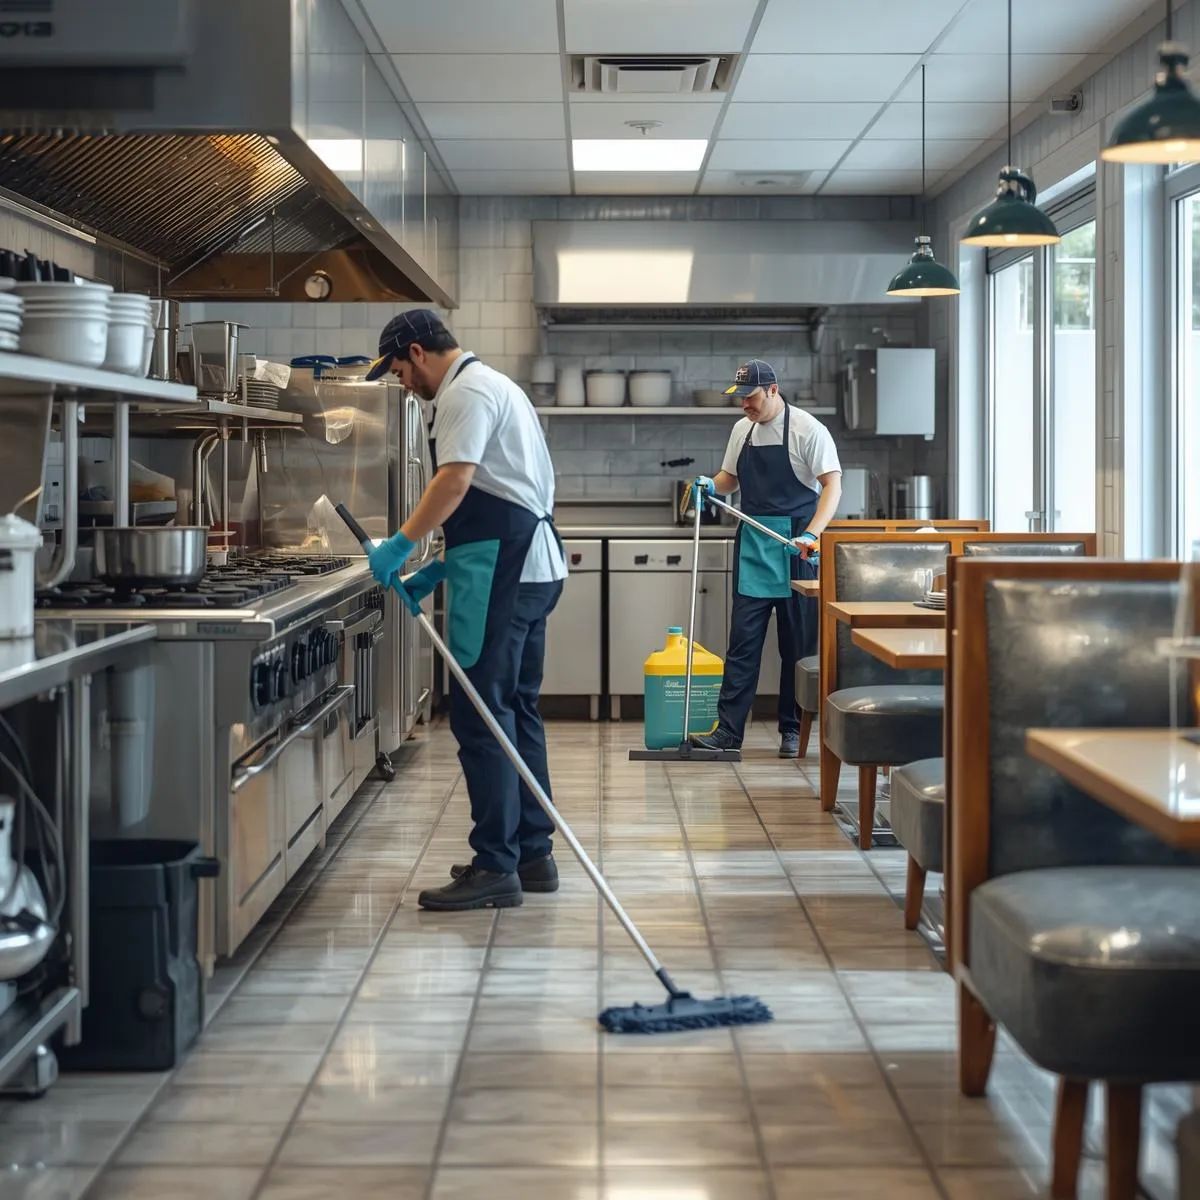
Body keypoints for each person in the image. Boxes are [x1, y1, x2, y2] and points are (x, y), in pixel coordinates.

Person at [364, 310, 567, 911]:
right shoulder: (495, 385)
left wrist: (400, 547)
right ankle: (532, 853)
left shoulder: (465, 394)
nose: (403, 383)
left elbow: (456, 483)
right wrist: (439, 570)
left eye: (400, 370)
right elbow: (507, 495)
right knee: (515, 708)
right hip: (526, 567)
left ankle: (495, 865)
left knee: (480, 716)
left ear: (419, 353)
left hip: (503, 574)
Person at [688, 359, 842, 758]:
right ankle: (728, 733)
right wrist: (711, 484)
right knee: (743, 643)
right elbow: (730, 478)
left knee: (797, 646)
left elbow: (832, 485)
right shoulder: (743, 430)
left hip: (796, 546)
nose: (745, 406)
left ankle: (793, 729)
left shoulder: (809, 430)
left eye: (751, 397)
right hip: (755, 542)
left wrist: (813, 533)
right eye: (740, 399)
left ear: (773, 390)